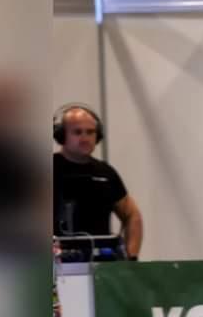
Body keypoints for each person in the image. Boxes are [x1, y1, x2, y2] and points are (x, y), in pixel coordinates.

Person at [52, 103, 144, 259]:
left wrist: (131, 258)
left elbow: (132, 215)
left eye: (90, 132)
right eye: (77, 132)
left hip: (101, 266)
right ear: (61, 135)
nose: (85, 138)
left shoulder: (106, 173)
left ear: (98, 136)